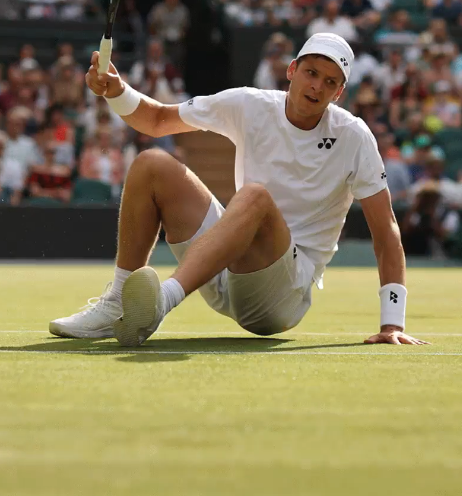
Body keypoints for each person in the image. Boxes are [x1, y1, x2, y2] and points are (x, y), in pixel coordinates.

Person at [50, 33, 428, 347]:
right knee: (152, 164)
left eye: (330, 82)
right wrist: (116, 91)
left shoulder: (354, 136)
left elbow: (386, 229)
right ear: (292, 70)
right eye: (311, 73)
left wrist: (392, 322)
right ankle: (120, 302)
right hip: (226, 271)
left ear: (339, 93)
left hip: (282, 298)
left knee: (254, 196)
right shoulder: (249, 104)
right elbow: (157, 119)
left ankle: (159, 302)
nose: (317, 86)